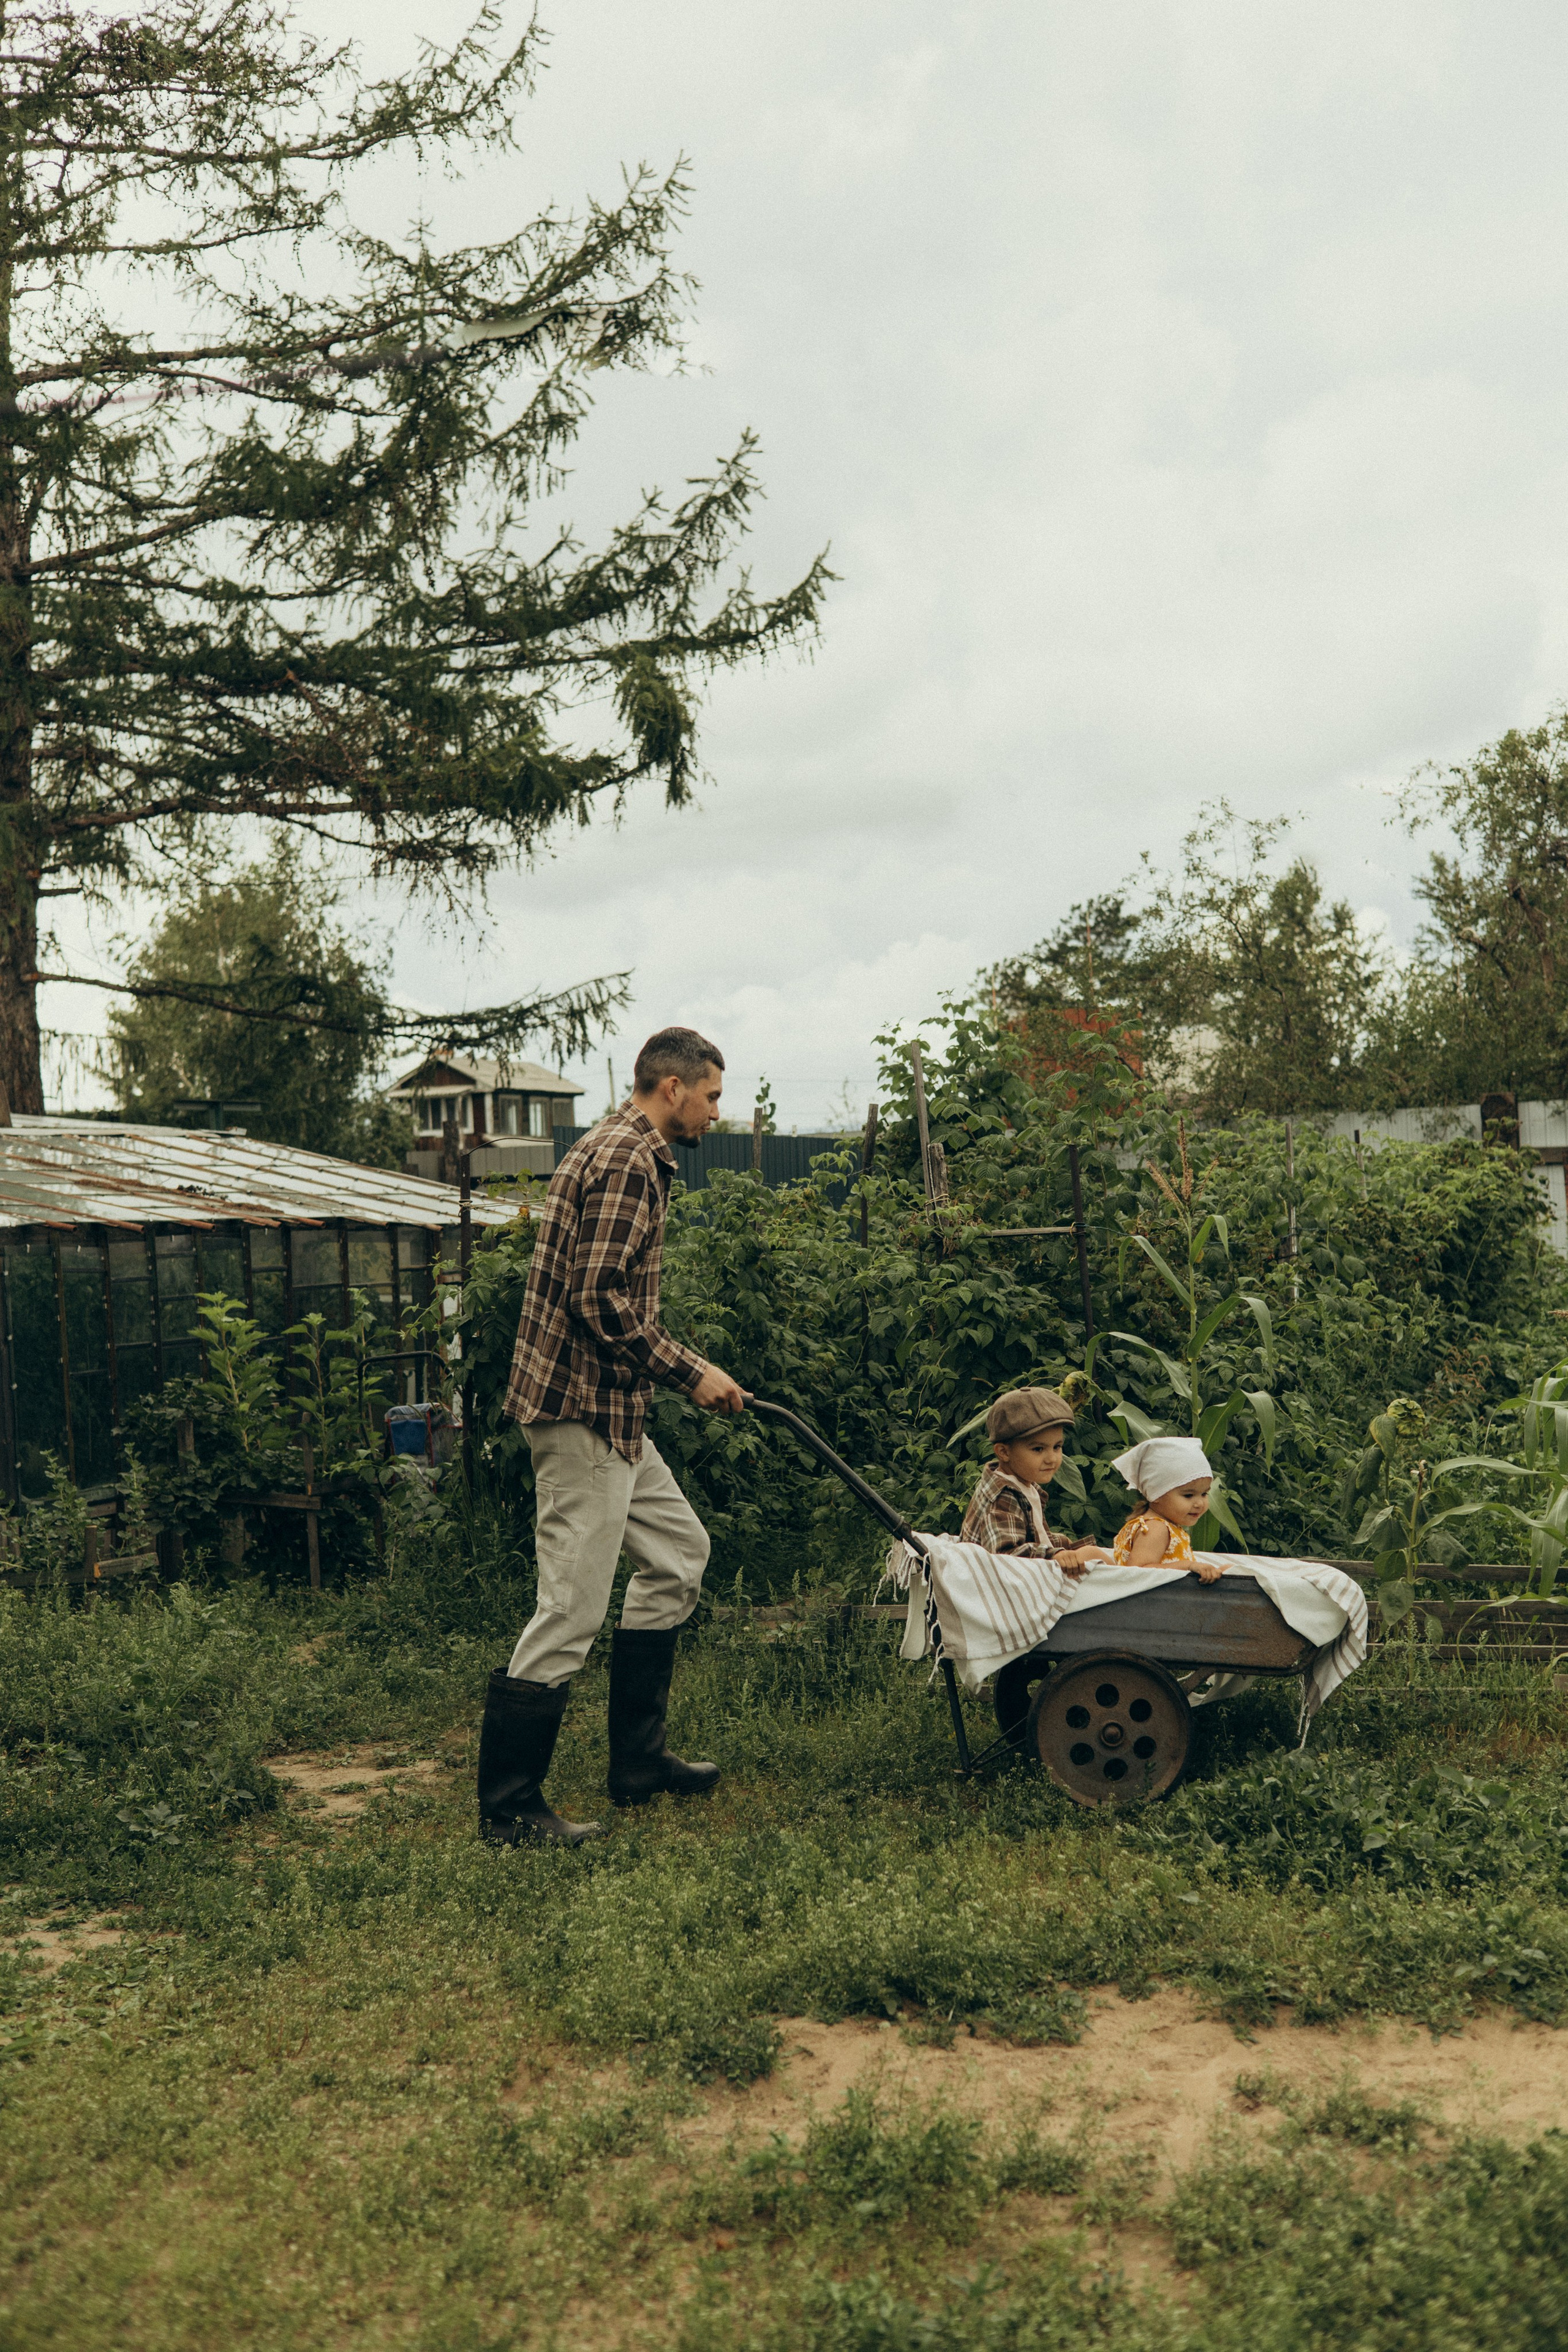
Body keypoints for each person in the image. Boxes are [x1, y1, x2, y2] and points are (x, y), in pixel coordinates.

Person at [476, 1025, 747, 1848]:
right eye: (711, 1097)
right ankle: (512, 1808)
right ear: (672, 1088)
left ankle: (637, 1762)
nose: (712, 1114)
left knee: (675, 1556)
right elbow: (600, 1299)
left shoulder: (616, 1148)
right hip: (582, 1410)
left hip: (611, 1410)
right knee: (570, 1609)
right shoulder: (630, 1160)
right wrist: (691, 1370)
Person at [960, 1387, 1111, 1576]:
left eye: (1057, 1447)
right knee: (1093, 1556)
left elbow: (1033, 1536)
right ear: (1004, 1452)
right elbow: (1005, 1555)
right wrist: (1054, 1555)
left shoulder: (1022, 1485)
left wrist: (1063, 1546)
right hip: (994, 1582)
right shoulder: (1004, 1496)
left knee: (1092, 1553)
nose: (1052, 1459)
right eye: (1039, 1449)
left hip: (1022, 1576)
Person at [1110, 1436, 1223, 1581]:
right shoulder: (1156, 1528)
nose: (1200, 1503)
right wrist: (1188, 1566)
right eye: (1188, 1495)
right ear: (1156, 1494)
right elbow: (1137, 1573)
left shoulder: (1165, 1525)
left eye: (1204, 1494)